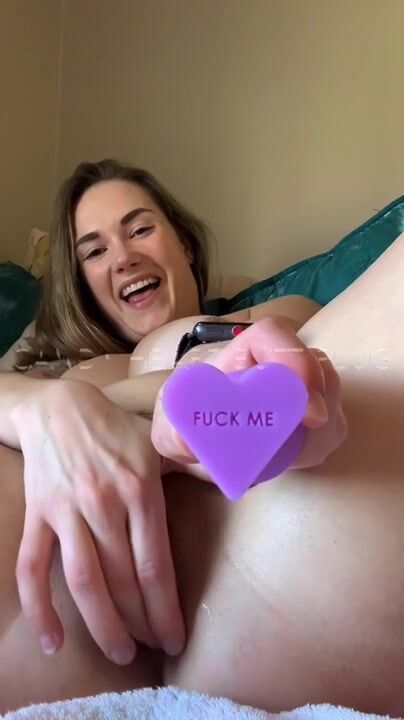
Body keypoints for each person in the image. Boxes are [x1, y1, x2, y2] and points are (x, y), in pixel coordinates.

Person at [0, 158, 347, 713]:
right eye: (95, 251)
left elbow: (280, 352)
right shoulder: (69, 371)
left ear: (184, 244)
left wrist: (152, 401)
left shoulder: (270, 313)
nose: (123, 257)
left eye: (140, 229)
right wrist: (46, 406)